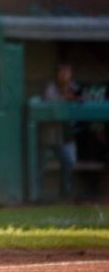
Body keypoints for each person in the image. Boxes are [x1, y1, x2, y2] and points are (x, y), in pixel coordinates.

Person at [42, 63, 81, 198]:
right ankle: (38, 195)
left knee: (69, 161)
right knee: (41, 163)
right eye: (61, 71)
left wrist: (73, 97)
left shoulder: (76, 87)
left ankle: (66, 194)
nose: (64, 74)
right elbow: (50, 102)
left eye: (67, 71)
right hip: (51, 136)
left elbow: (82, 100)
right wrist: (65, 98)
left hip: (69, 135)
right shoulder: (51, 87)